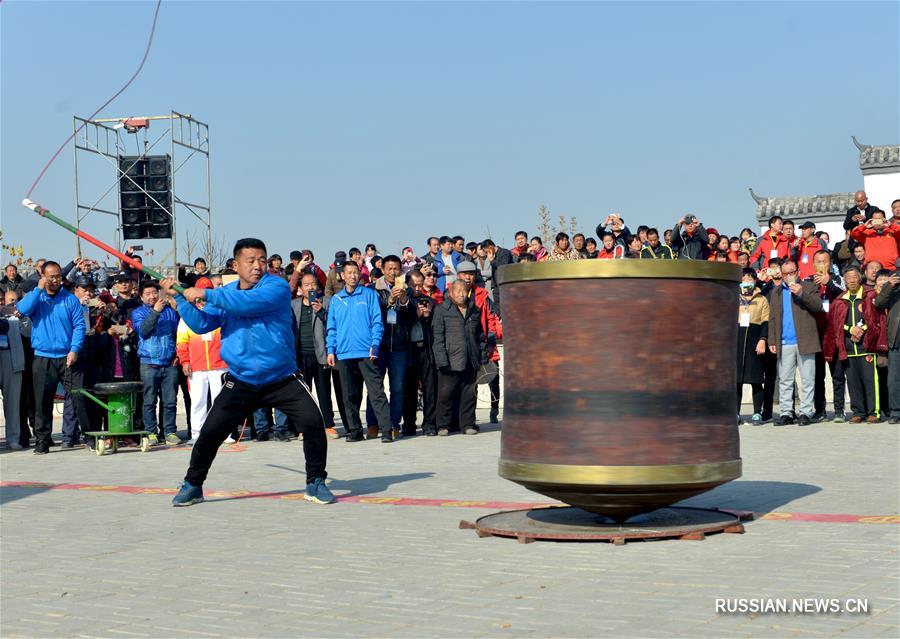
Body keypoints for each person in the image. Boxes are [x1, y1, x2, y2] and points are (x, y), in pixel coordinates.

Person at [163, 238, 332, 507]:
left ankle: (315, 481)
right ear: (236, 265)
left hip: (282, 378)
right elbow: (201, 324)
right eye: (250, 261)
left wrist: (203, 293)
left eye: (261, 260)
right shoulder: (227, 293)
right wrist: (182, 299)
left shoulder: (274, 286)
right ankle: (192, 484)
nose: (257, 266)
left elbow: (247, 304)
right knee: (210, 433)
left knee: (313, 423)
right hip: (241, 380)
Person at [15, 261, 88, 454]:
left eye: (58, 276)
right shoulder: (37, 298)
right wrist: (38, 290)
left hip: (68, 356)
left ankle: (89, 435)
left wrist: (74, 350)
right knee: (42, 401)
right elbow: (21, 309)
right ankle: (43, 440)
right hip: (43, 357)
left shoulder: (70, 299)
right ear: (43, 276)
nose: (55, 280)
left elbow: (79, 326)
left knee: (79, 396)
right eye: (51, 276)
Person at [325, 260, 394, 443]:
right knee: (349, 396)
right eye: (349, 272)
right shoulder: (336, 300)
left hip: (366, 352)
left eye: (356, 272)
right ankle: (354, 431)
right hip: (344, 354)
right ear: (342, 276)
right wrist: (331, 350)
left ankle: (387, 430)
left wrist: (375, 344)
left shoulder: (369, 295)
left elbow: (377, 322)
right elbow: (331, 328)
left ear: (360, 274)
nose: (353, 276)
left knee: (376, 392)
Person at [767, 260, 823, 426]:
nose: (789, 276)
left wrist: (801, 294)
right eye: (785, 274)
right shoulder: (776, 292)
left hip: (805, 340)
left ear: (798, 272)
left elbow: (817, 306)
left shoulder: (809, 287)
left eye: (792, 272)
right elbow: (772, 318)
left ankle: (806, 412)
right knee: (785, 380)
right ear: (781, 275)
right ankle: (786, 413)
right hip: (784, 341)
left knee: (807, 379)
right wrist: (772, 339)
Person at [290, 272, 344, 439]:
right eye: (306, 285)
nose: (311, 287)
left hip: (320, 354)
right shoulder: (293, 305)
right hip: (300, 355)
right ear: (300, 289)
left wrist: (321, 312)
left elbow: (334, 325)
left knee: (324, 391)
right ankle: (303, 428)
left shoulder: (327, 302)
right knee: (303, 395)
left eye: (313, 284)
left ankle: (328, 425)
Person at [823, 266, 881, 423]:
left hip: (866, 347)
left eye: (855, 277)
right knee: (853, 382)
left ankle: (873, 412)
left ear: (860, 278)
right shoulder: (840, 300)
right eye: (849, 278)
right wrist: (850, 329)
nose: (852, 280)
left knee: (870, 381)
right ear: (845, 281)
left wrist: (861, 329)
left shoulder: (869, 295)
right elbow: (835, 323)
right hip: (848, 348)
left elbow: (876, 319)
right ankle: (857, 412)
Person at [176, 277, 227, 444]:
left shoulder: (219, 312)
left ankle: (224, 433)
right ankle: (197, 434)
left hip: (219, 365)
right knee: (197, 401)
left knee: (220, 401)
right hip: (196, 367)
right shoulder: (188, 315)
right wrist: (185, 361)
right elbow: (181, 341)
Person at [432, 281, 487, 436]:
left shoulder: (474, 310)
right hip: (450, 360)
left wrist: (481, 355)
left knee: (469, 394)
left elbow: (480, 336)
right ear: (451, 292)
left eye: (465, 291)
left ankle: (468, 424)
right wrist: (441, 359)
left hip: (471, 359)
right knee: (446, 395)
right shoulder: (442, 309)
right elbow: (437, 337)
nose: (462, 294)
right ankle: (443, 425)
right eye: (458, 291)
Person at [132, 281, 181, 446]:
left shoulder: (170, 312)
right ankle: (151, 432)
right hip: (149, 363)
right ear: (141, 296)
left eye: (154, 292)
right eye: (148, 294)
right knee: (149, 401)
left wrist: (177, 355)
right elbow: (143, 331)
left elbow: (178, 334)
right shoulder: (138, 313)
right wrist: (155, 312)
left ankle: (169, 432)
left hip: (169, 363)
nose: (152, 296)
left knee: (170, 401)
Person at [371, 255, 413, 437]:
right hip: (379, 345)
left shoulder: (407, 289)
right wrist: (388, 302)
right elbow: (371, 316)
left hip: (399, 346)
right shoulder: (372, 290)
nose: (393, 272)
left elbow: (413, 317)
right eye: (389, 268)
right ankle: (374, 424)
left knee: (397, 388)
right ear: (383, 269)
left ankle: (394, 423)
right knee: (375, 387)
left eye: (396, 268)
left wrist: (403, 300)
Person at [456, 261, 503, 424]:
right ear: (458, 276)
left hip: (485, 343)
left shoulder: (482, 294)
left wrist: (491, 336)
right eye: (464, 274)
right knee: (470, 383)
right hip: (465, 346)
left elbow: (492, 317)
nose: (468, 277)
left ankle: (494, 409)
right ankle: (470, 417)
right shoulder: (452, 293)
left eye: (471, 274)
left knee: (494, 379)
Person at [402, 270, 438, 436]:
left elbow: (436, 326)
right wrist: (414, 315)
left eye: (419, 285)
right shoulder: (403, 302)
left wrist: (428, 316)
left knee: (430, 388)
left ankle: (429, 424)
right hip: (409, 350)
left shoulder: (430, 301)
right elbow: (399, 323)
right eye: (413, 285)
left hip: (426, 350)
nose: (417, 288)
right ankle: (409, 424)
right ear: (407, 283)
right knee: (409, 389)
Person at [737, 269, 770, 425]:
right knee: (736, 381)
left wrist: (763, 339)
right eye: (743, 278)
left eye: (749, 278)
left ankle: (757, 412)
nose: (746, 281)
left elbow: (766, 322)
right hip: (737, 341)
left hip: (754, 341)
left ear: (755, 281)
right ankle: (735, 413)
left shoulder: (762, 299)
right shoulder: (734, 297)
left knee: (756, 380)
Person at [0, 300, 29, 449]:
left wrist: (22, 316)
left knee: (13, 402)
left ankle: (13, 438)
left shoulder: (12, 315)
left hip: (11, 358)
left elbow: (28, 331)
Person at [874, 269, 900, 423]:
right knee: (894, 379)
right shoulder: (892, 288)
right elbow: (879, 302)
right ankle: (896, 412)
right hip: (896, 338)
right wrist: (890, 285)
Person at [481, 239, 515, 312]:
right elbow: (494, 272)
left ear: (491, 247)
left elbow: (502, 266)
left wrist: (492, 261)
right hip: (496, 286)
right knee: (497, 307)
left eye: (487, 251)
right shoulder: (492, 256)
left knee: (506, 306)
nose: (487, 253)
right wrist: (493, 286)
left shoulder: (505, 252)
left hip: (505, 284)